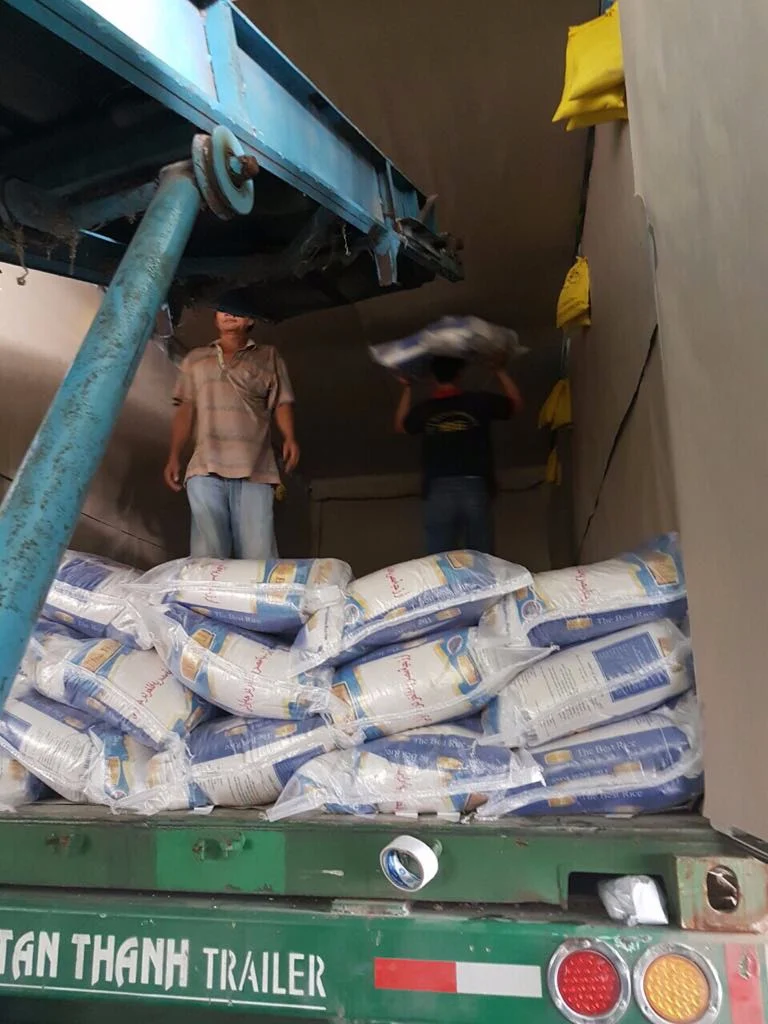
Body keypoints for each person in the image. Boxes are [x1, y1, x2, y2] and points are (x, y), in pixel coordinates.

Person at [164, 309, 299, 559]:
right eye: (223, 309)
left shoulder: (268, 356)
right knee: (208, 555)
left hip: (256, 469)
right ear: (215, 317)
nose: (229, 314)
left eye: (238, 310)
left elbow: (282, 401)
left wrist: (290, 437)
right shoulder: (195, 359)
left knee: (258, 555)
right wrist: (174, 455)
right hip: (205, 466)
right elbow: (185, 409)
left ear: (251, 319)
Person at [395, 354, 523, 555]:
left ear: (433, 378)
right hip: (475, 486)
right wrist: (499, 371)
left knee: (440, 560)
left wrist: (407, 387)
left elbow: (401, 425)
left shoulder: (426, 409)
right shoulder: (478, 401)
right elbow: (515, 405)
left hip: (438, 489)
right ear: (459, 375)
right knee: (481, 559)